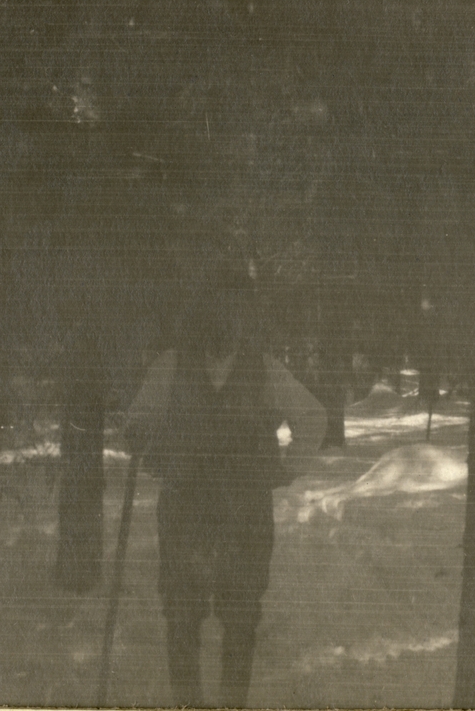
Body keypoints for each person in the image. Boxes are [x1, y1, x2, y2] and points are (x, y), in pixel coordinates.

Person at [129, 276, 325, 707]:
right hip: (186, 514)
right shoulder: (171, 366)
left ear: (244, 323)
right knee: (182, 619)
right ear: (202, 321)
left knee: (240, 621)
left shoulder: (266, 370)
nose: (225, 326)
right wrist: (149, 449)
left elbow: (312, 418)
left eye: (233, 317)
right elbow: (137, 424)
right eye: (217, 316)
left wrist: (286, 470)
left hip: (244, 516)